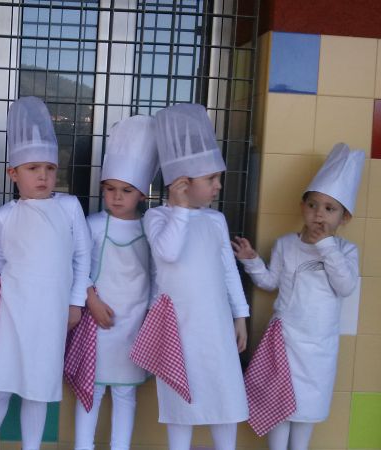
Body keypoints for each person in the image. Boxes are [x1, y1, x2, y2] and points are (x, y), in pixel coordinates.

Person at [0, 97, 91, 450]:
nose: (43, 175)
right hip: (12, 312)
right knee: (0, 381)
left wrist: (75, 302)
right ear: (13, 174)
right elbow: (0, 262)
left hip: (52, 313)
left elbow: (82, 256)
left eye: (50, 168)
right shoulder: (5, 215)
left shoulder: (69, 207)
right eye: (33, 168)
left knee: (39, 385)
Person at [233, 143, 363, 450]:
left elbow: (345, 286)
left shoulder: (346, 251)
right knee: (279, 406)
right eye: (313, 205)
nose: (319, 214)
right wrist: (252, 260)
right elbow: (270, 282)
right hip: (285, 341)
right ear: (302, 206)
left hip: (319, 346)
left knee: (307, 409)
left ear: (344, 218)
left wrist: (326, 246)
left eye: (330, 209)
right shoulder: (286, 244)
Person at [143, 103, 249, 450]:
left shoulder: (215, 220)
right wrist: (179, 210)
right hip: (178, 326)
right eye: (211, 179)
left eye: (218, 178)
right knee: (180, 401)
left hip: (216, 324)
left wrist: (240, 316)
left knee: (224, 396)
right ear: (183, 183)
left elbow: (228, 270)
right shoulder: (158, 218)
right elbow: (168, 253)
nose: (218, 186)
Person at [74, 115, 158, 450]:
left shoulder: (151, 228)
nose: (117, 197)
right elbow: (77, 266)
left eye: (126, 191)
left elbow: (156, 275)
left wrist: (151, 314)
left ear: (142, 194)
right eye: (110, 189)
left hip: (135, 321)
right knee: (91, 389)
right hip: (98, 320)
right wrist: (91, 299)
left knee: (125, 392)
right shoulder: (93, 224)